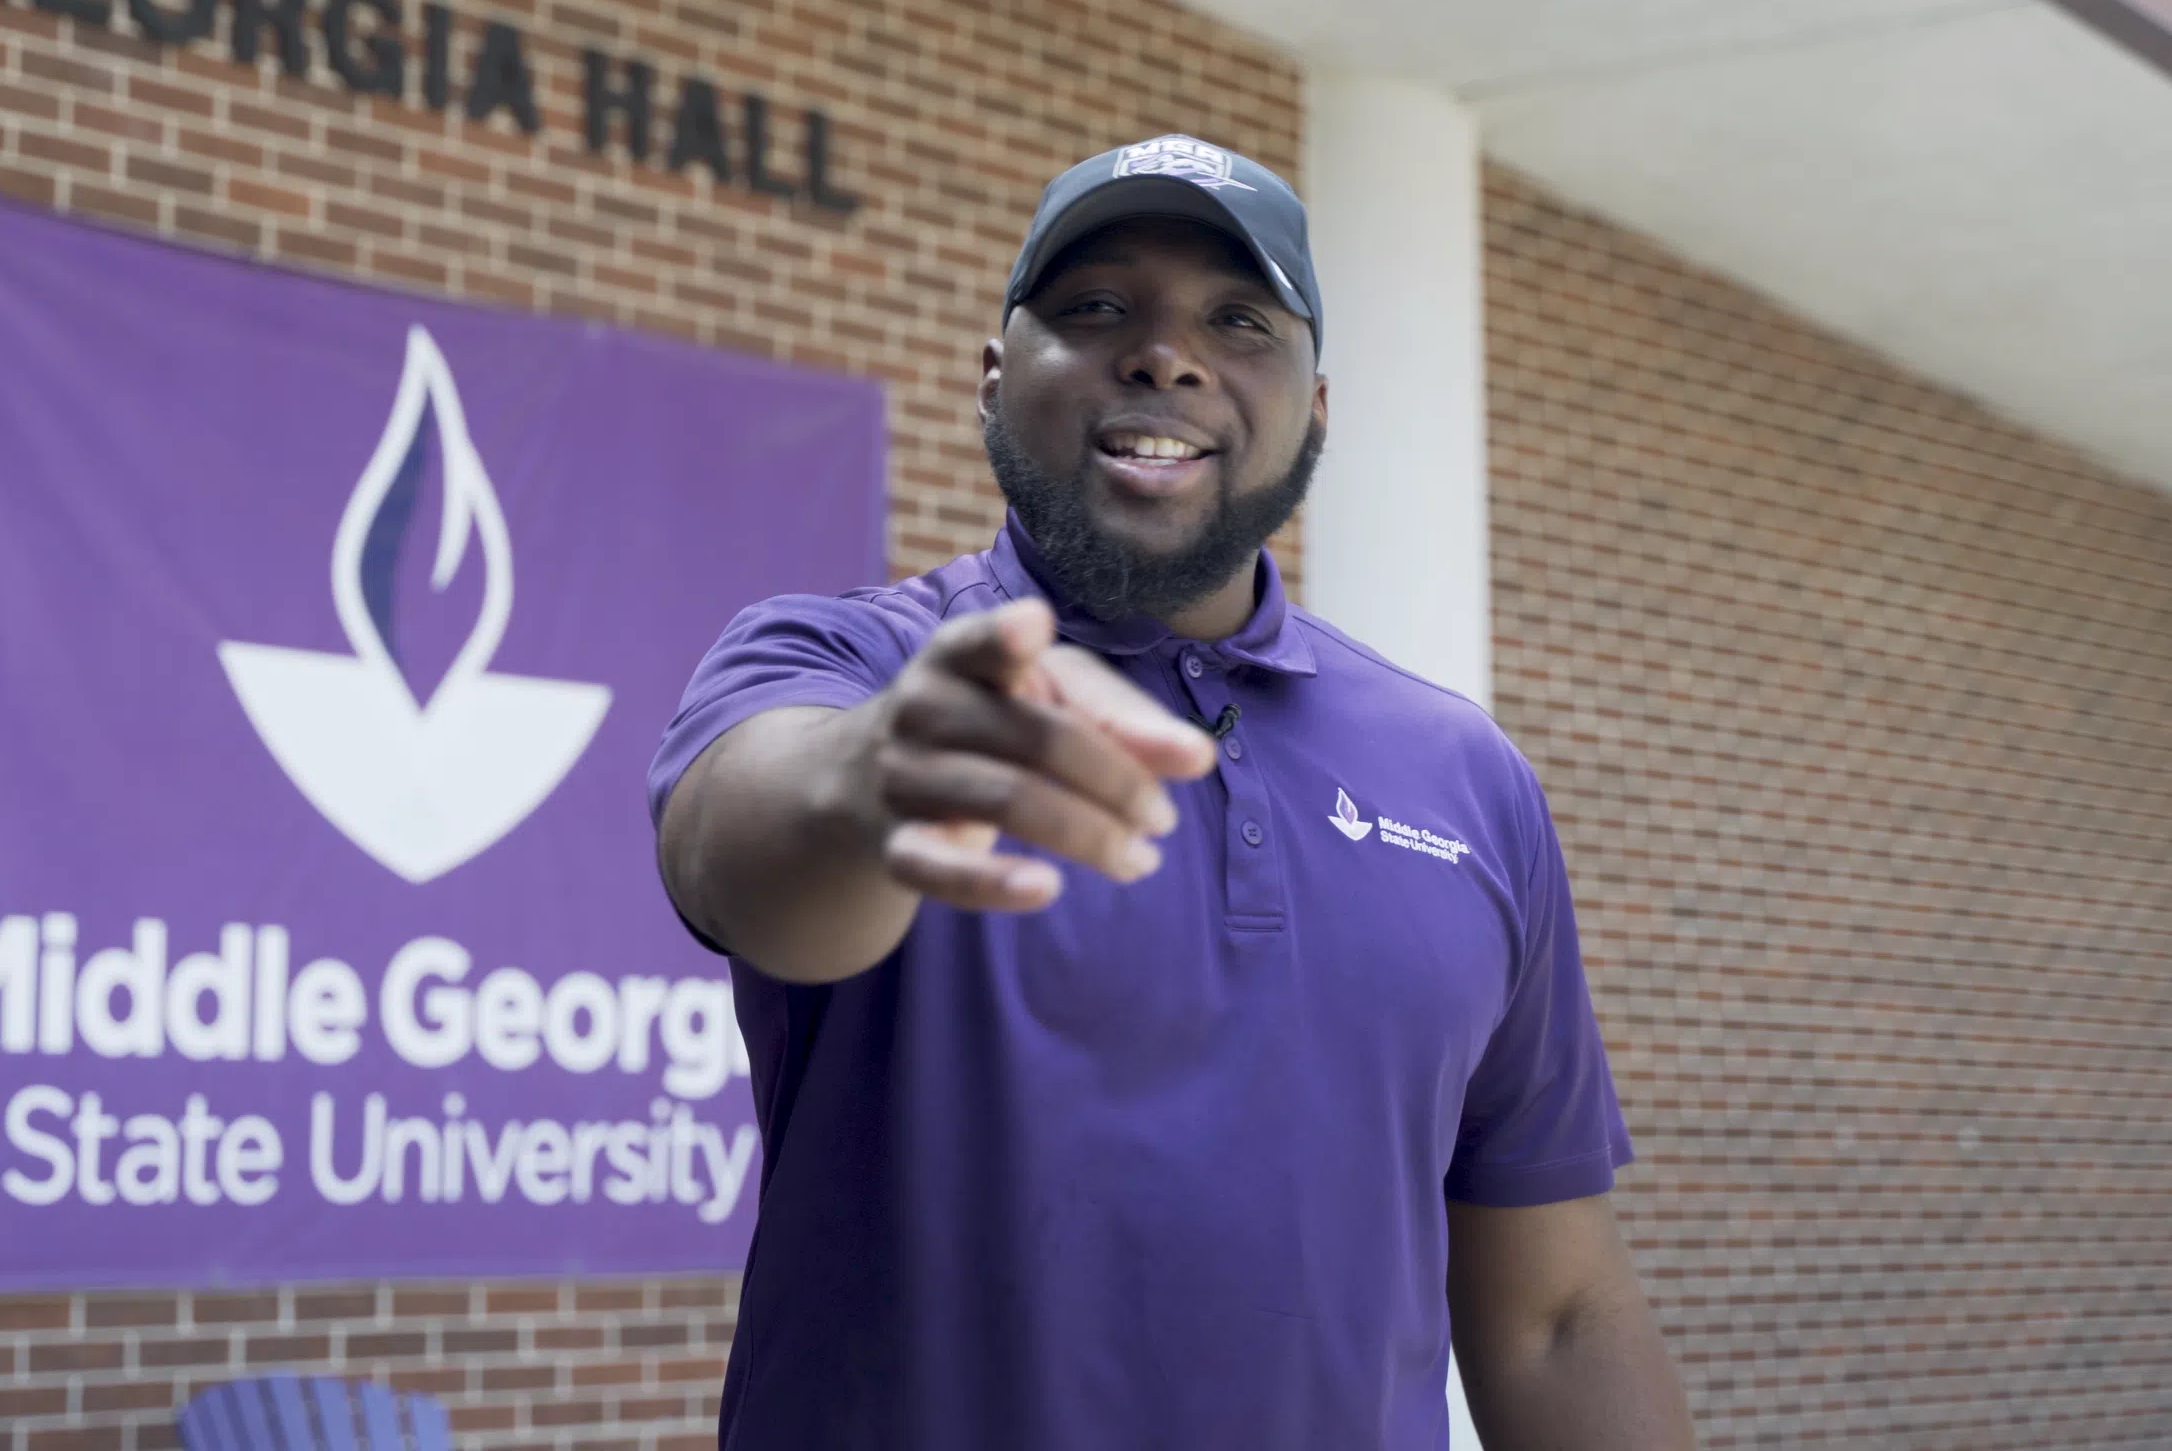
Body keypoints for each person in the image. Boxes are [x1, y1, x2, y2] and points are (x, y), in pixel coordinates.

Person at [649, 136, 1695, 1448]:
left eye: (1238, 319)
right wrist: (878, 778)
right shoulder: (840, 666)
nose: (1164, 355)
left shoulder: (1465, 777)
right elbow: (743, 862)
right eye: (1095, 309)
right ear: (991, 382)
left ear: (1318, 411)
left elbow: (1557, 1317)